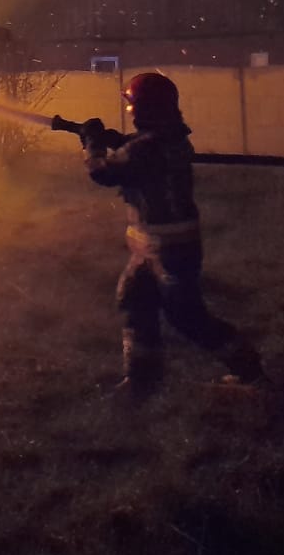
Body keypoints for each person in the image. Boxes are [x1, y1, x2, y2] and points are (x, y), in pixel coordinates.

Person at [80, 72, 264, 399]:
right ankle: (142, 379)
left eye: (134, 106)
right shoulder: (170, 140)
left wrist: (91, 142)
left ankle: (249, 369)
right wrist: (119, 140)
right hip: (154, 248)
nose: (131, 112)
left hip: (169, 251)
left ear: (146, 108)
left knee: (186, 316)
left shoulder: (146, 149)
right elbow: (143, 153)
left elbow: (103, 172)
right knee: (135, 301)